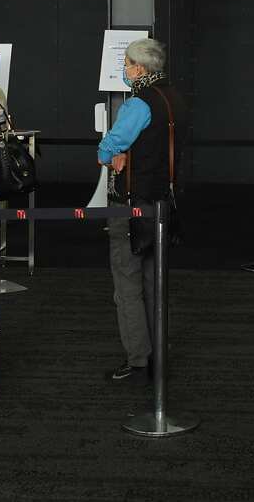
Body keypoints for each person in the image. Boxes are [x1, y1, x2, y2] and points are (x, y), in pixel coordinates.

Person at [97, 38, 189, 385]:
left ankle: (139, 360)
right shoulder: (175, 98)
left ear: (138, 68)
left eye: (127, 63)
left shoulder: (138, 104)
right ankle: (159, 356)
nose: (126, 68)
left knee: (128, 283)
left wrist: (115, 154)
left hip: (133, 203)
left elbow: (108, 150)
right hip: (165, 201)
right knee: (156, 281)